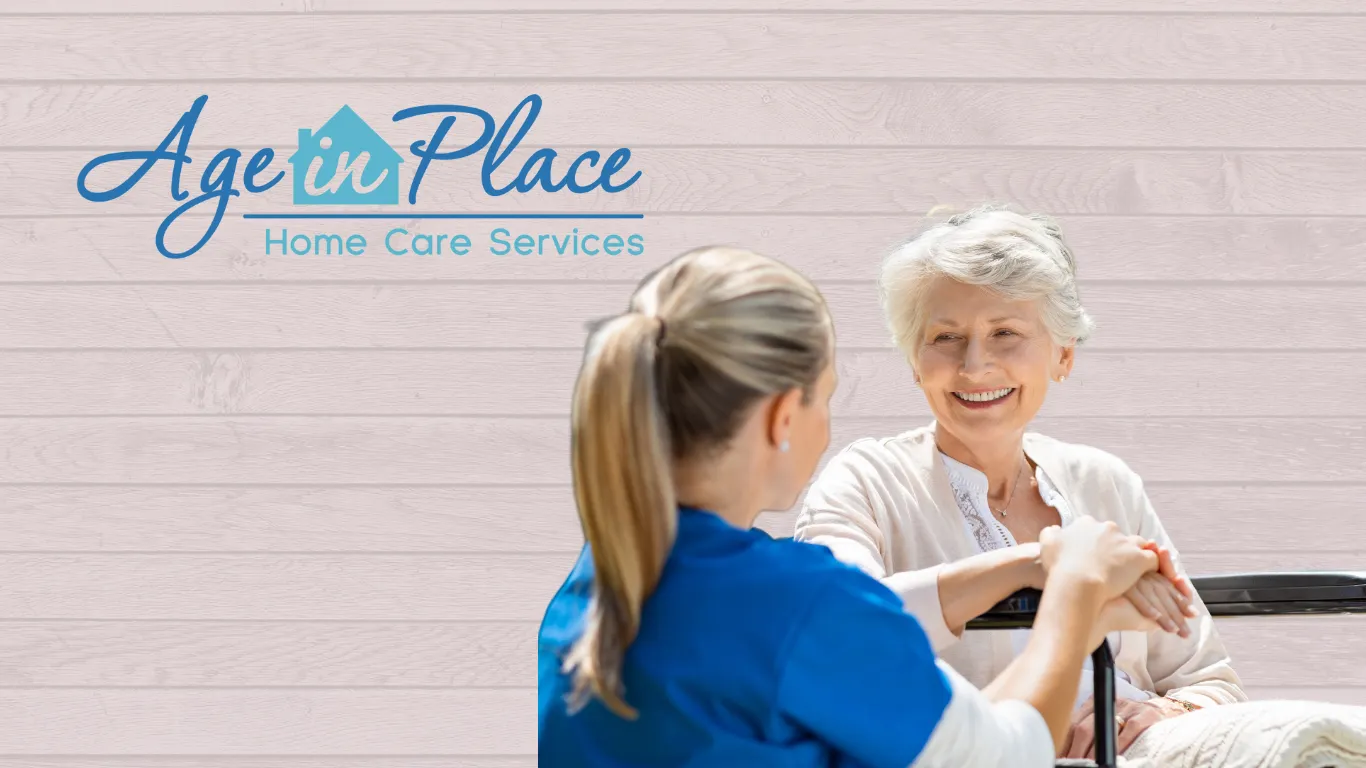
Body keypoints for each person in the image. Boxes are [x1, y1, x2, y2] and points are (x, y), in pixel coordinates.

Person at [537, 245, 1191, 767]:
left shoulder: (600, 582)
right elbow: (1010, 753)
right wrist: (1075, 591)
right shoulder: (797, 602)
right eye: (826, 397)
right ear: (781, 418)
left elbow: (848, 623)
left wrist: (1023, 564)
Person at [792, 204, 1247, 761]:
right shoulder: (865, 480)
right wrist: (1044, 562)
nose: (975, 364)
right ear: (915, 360)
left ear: (1063, 354)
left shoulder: (1107, 483)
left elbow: (1210, 681)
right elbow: (837, 636)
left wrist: (1157, 714)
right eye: (946, 337)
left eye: (1005, 333)